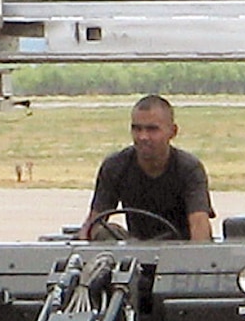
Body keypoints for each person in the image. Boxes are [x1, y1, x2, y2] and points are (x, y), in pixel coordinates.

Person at [84, 94, 214, 242]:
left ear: (173, 131)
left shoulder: (189, 168)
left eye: (152, 129)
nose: (143, 137)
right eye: (137, 129)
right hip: (135, 251)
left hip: (178, 252)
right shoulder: (115, 166)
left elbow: (199, 225)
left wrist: (195, 260)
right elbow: (94, 223)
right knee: (105, 232)